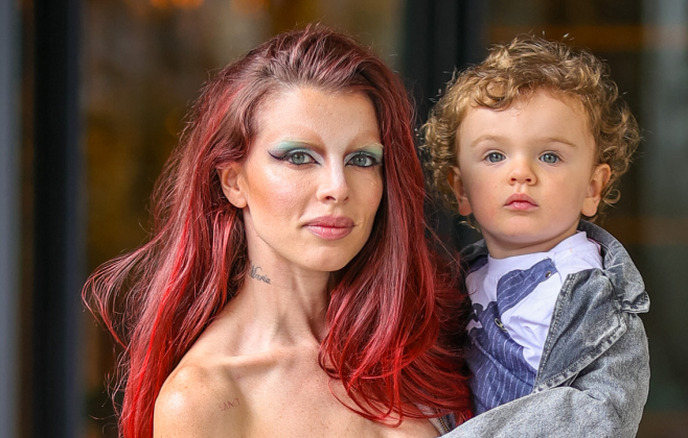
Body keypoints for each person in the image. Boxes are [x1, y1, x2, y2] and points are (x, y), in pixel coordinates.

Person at [83, 25, 472, 438]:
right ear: (234, 182)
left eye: (361, 159)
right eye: (300, 157)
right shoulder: (205, 399)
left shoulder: (436, 330)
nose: (337, 188)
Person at [424, 35, 650, 437]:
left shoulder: (594, 293)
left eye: (550, 156)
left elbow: (602, 417)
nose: (521, 173)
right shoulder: (453, 285)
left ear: (592, 188)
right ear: (461, 189)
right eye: (495, 155)